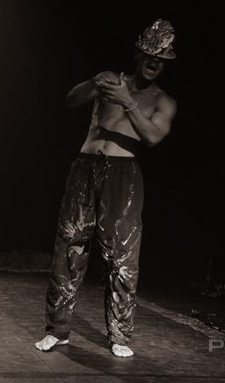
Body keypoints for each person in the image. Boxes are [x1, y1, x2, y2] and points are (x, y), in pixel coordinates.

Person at [35, 19, 178, 357]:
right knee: (69, 248)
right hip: (85, 166)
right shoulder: (113, 81)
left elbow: (153, 137)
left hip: (123, 175)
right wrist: (93, 82)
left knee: (122, 257)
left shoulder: (163, 101)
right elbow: (71, 100)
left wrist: (128, 102)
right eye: (149, 55)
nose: (154, 62)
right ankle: (57, 331)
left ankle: (119, 336)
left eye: (160, 59)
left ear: (166, 64)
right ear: (137, 54)